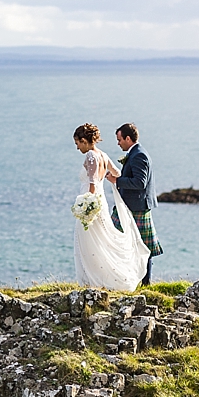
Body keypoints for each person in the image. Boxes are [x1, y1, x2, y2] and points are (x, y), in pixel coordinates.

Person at [72, 123, 150, 291]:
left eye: (78, 143)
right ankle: (102, 278)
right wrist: (107, 178)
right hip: (101, 205)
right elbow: (117, 174)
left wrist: (88, 205)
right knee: (102, 241)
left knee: (89, 243)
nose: (77, 147)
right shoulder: (103, 155)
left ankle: (93, 281)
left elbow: (92, 182)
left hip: (91, 205)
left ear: (85, 140)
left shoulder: (91, 156)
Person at [106, 123, 163, 286]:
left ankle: (146, 283)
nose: (118, 143)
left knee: (144, 246)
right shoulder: (136, 153)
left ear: (128, 138)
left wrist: (117, 181)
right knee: (125, 241)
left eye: (119, 139)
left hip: (136, 206)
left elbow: (140, 182)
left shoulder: (139, 155)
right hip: (131, 205)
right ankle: (133, 279)